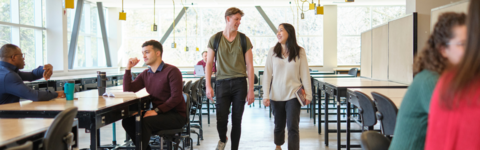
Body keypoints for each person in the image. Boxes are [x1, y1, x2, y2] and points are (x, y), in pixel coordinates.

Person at [388, 12, 466, 150]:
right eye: (463, 44)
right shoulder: (431, 81)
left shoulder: (445, 78)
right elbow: (463, 125)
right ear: (443, 50)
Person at [425, 1, 480, 149]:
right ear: (443, 49)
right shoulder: (435, 81)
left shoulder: (448, 81)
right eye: (462, 44)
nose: (465, 51)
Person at [204, 7, 255, 150]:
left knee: (237, 120)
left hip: (240, 83)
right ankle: (222, 138)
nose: (239, 22)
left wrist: (251, 89)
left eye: (240, 19)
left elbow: (250, 65)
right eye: (236, 19)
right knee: (221, 120)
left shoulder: (244, 39)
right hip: (221, 83)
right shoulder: (215, 39)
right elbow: (208, 64)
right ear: (228, 19)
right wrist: (208, 86)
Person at [122, 40, 186, 150]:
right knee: (127, 121)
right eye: (142, 53)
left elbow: (176, 97)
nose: (144, 56)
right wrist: (128, 69)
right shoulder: (146, 74)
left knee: (146, 121)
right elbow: (128, 90)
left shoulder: (172, 71)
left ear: (158, 53)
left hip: (176, 115)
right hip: (160, 113)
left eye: (147, 52)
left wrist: (156, 111)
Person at [262, 23, 312, 150]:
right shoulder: (272, 52)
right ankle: (278, 145)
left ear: (289, 33)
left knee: (293, 127)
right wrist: (265, 95)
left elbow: (305, 74)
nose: (278, 33)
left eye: (281, 30)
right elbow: (267, 75)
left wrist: (309, 95)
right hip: (276, 95)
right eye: (277, 31)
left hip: (294, 94)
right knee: (279, 125)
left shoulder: (300, 52)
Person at [0, 44, 65, 104]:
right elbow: (35, 96)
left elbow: (32, 75)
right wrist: (56, 94)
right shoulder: (8, 76)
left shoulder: (6, 71)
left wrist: (45, 69)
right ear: (13, 57)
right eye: (21, 55)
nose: (23, 58)